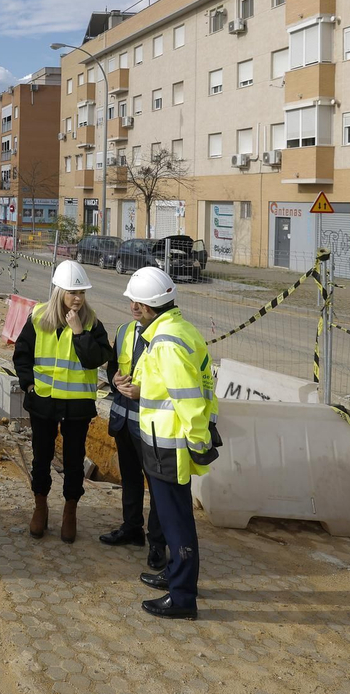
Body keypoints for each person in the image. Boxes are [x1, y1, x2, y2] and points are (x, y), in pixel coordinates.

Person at [120, 266, 218, 620]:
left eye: (135, 303)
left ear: (146, 308)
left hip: (170, 444)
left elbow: (188, 397)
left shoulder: (166, 344)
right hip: (167, 440)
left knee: (176, 521)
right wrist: (140, 388)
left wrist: (197, 440)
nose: (132, 308)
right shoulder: (180, 331)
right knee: (173, 515)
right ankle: (174, 577)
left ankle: (182, 598)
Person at [12, 260, 109, 544]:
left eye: (81, 292)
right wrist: (28, 384)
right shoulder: (38, 316)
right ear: (58, 291)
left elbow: (96, 358)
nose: (77, 298)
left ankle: (70, 511)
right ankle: (40, 506)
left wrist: (79, 332)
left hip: (77, 407)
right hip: (43, 403)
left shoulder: (91, 323)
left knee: (73, 460)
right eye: (72, 292)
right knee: (41, 458)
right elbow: (22, 353)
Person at [99, 310, 167, 572]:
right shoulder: (125, 330)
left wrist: (145, 392)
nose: (135, 306)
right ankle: (132, 528)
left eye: (142, 301)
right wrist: (114, 380)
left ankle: (158, 543)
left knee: (157, 485)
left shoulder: (166, 337)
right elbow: (114, 366)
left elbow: (173, 383)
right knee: (130, 478)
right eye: (132, 300)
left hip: (151, 425)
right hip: (124, 420)